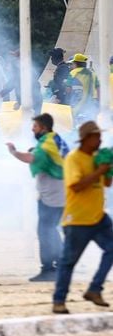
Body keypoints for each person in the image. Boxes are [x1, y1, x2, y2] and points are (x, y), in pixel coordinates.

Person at [52, 121, 113, 314]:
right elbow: (76, 186)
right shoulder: (74, 159)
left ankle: (95, 289)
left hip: (98, 217)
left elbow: (107, 184)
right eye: (96, 136)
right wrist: (100, 171)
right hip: (78, 220)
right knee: (68, 262)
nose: (100, 140)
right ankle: (59, 301)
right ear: (86, 139)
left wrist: (108, 168)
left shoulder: (95, 158)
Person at [6, 113, 69, 282]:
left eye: (35, 126)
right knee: (51, 229)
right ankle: (63, 263)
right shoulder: (54, 139)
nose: (32, 129)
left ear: (44, 127)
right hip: (59, 191)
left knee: (45, 230)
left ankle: (49, 269)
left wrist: (13, 152)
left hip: (52, 193)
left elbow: (31, 158)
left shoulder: (47, 143)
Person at [66, 53, 99, 127]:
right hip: (92, 104)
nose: (70, 66)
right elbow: (98, 89)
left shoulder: (72, 73)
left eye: (71, 64)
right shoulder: (93, 73)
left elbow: (68, 89)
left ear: (76, 63)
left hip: (78, 104)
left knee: (77, 126)